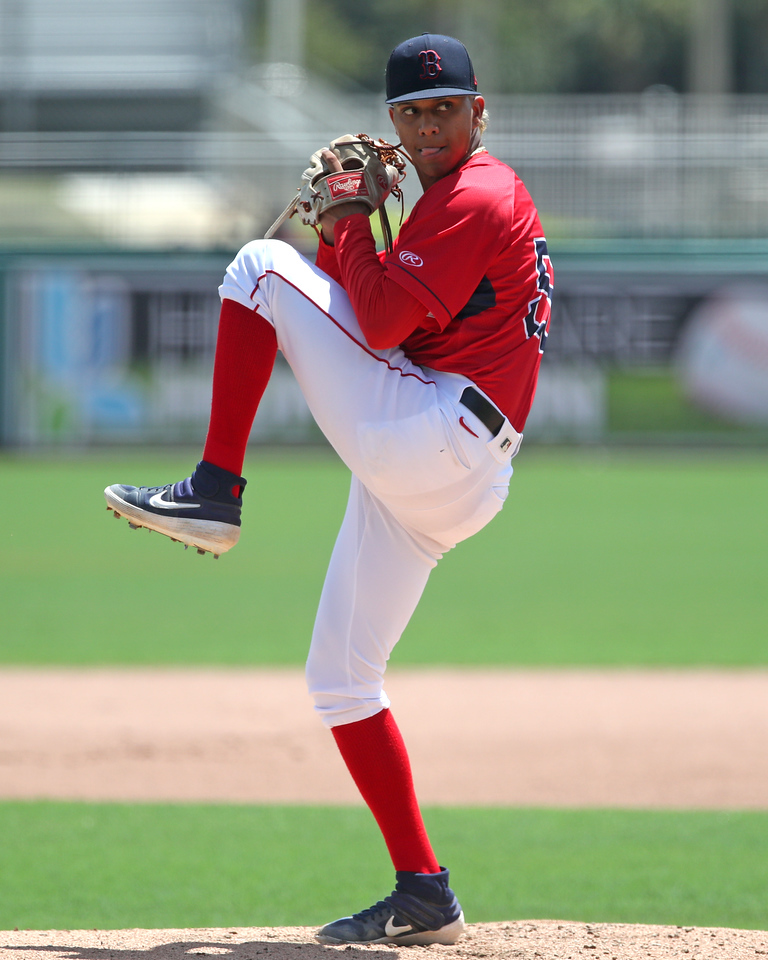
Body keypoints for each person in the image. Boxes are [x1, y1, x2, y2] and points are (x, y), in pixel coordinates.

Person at [104, 33, 553, 946]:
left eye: (445, 108)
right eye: (412, 113)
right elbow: (398, 312)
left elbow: (382, 322)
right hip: (452, 465)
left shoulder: (479, 192)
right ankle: (424, 891)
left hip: (435, 435)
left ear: (480, 112)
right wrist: (357, 229)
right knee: (342, 680)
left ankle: (214, 489)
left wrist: (344, 223)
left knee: (255, 271)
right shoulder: (453, 199)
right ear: (394, 121)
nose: (429, 126)